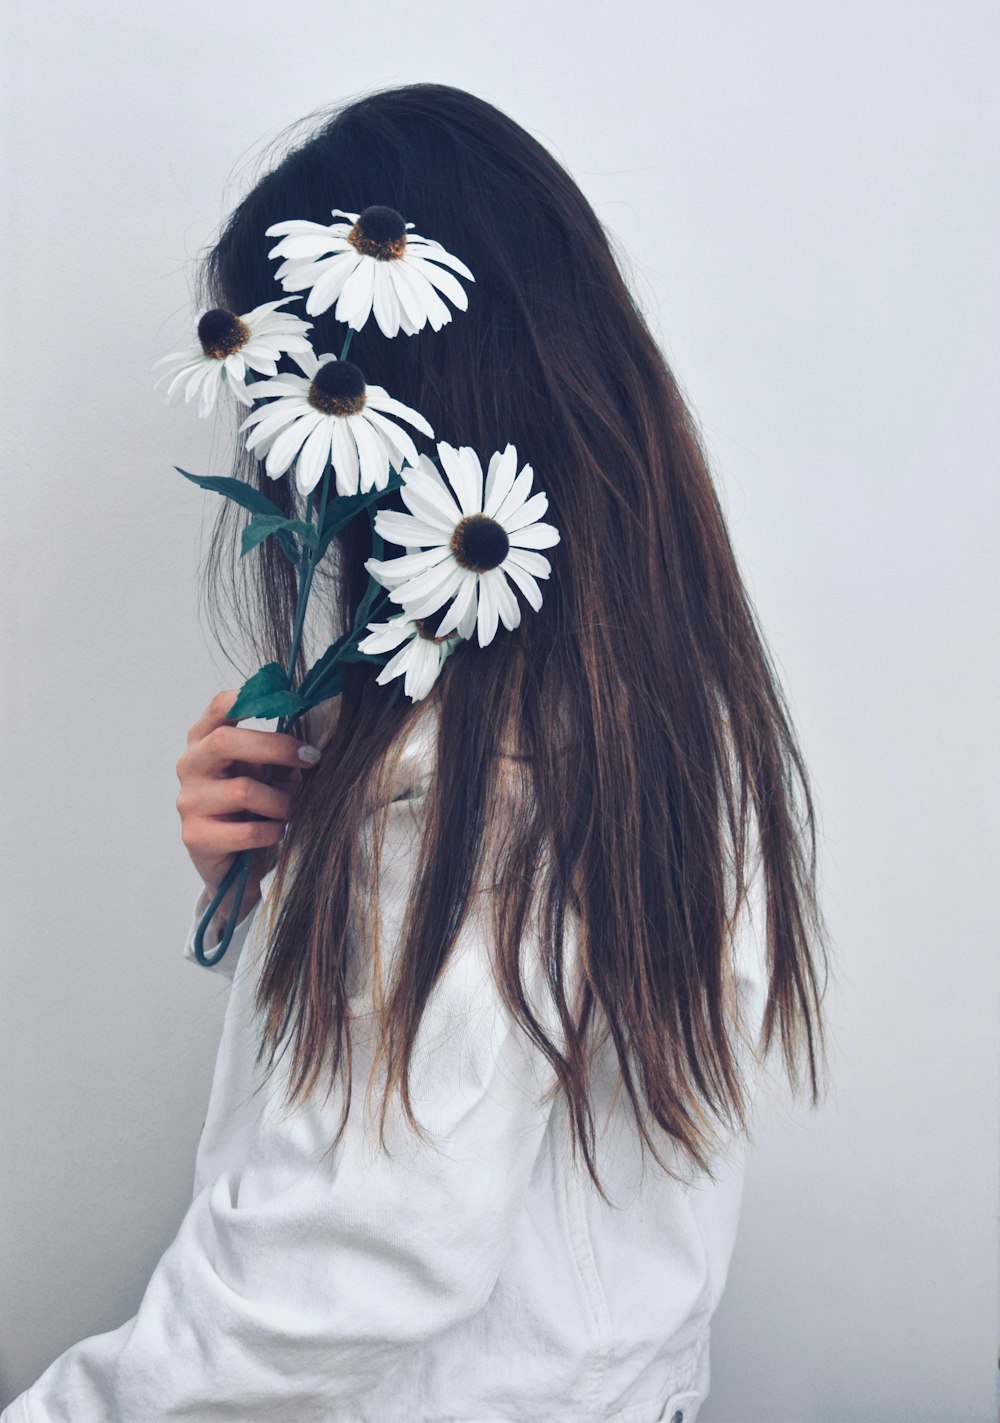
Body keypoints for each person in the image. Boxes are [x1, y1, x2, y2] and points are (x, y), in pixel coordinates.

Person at [3, 82, 828, 1423]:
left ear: (387, 392)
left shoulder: (460, 790)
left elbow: (341, 1279)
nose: (275, 429)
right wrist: (288, 878)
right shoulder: (672, 703)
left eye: (281, 374)